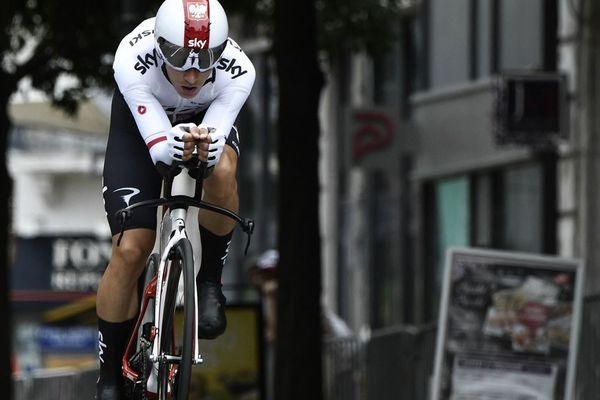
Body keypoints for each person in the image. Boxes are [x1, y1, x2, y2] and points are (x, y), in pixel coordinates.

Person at [96, 0, 255, 398]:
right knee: (131, 249)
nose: (192, 73)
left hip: (204, 125)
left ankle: (210, 282)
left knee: (221, 171)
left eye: (205, 62)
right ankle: (110, 376)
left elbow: (214, 150)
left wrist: (206, 149)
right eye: (179, 57)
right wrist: (181, 145)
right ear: (160, 44)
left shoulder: (240, 70)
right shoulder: (132, 56)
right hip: (144, 130)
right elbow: (162, 154)